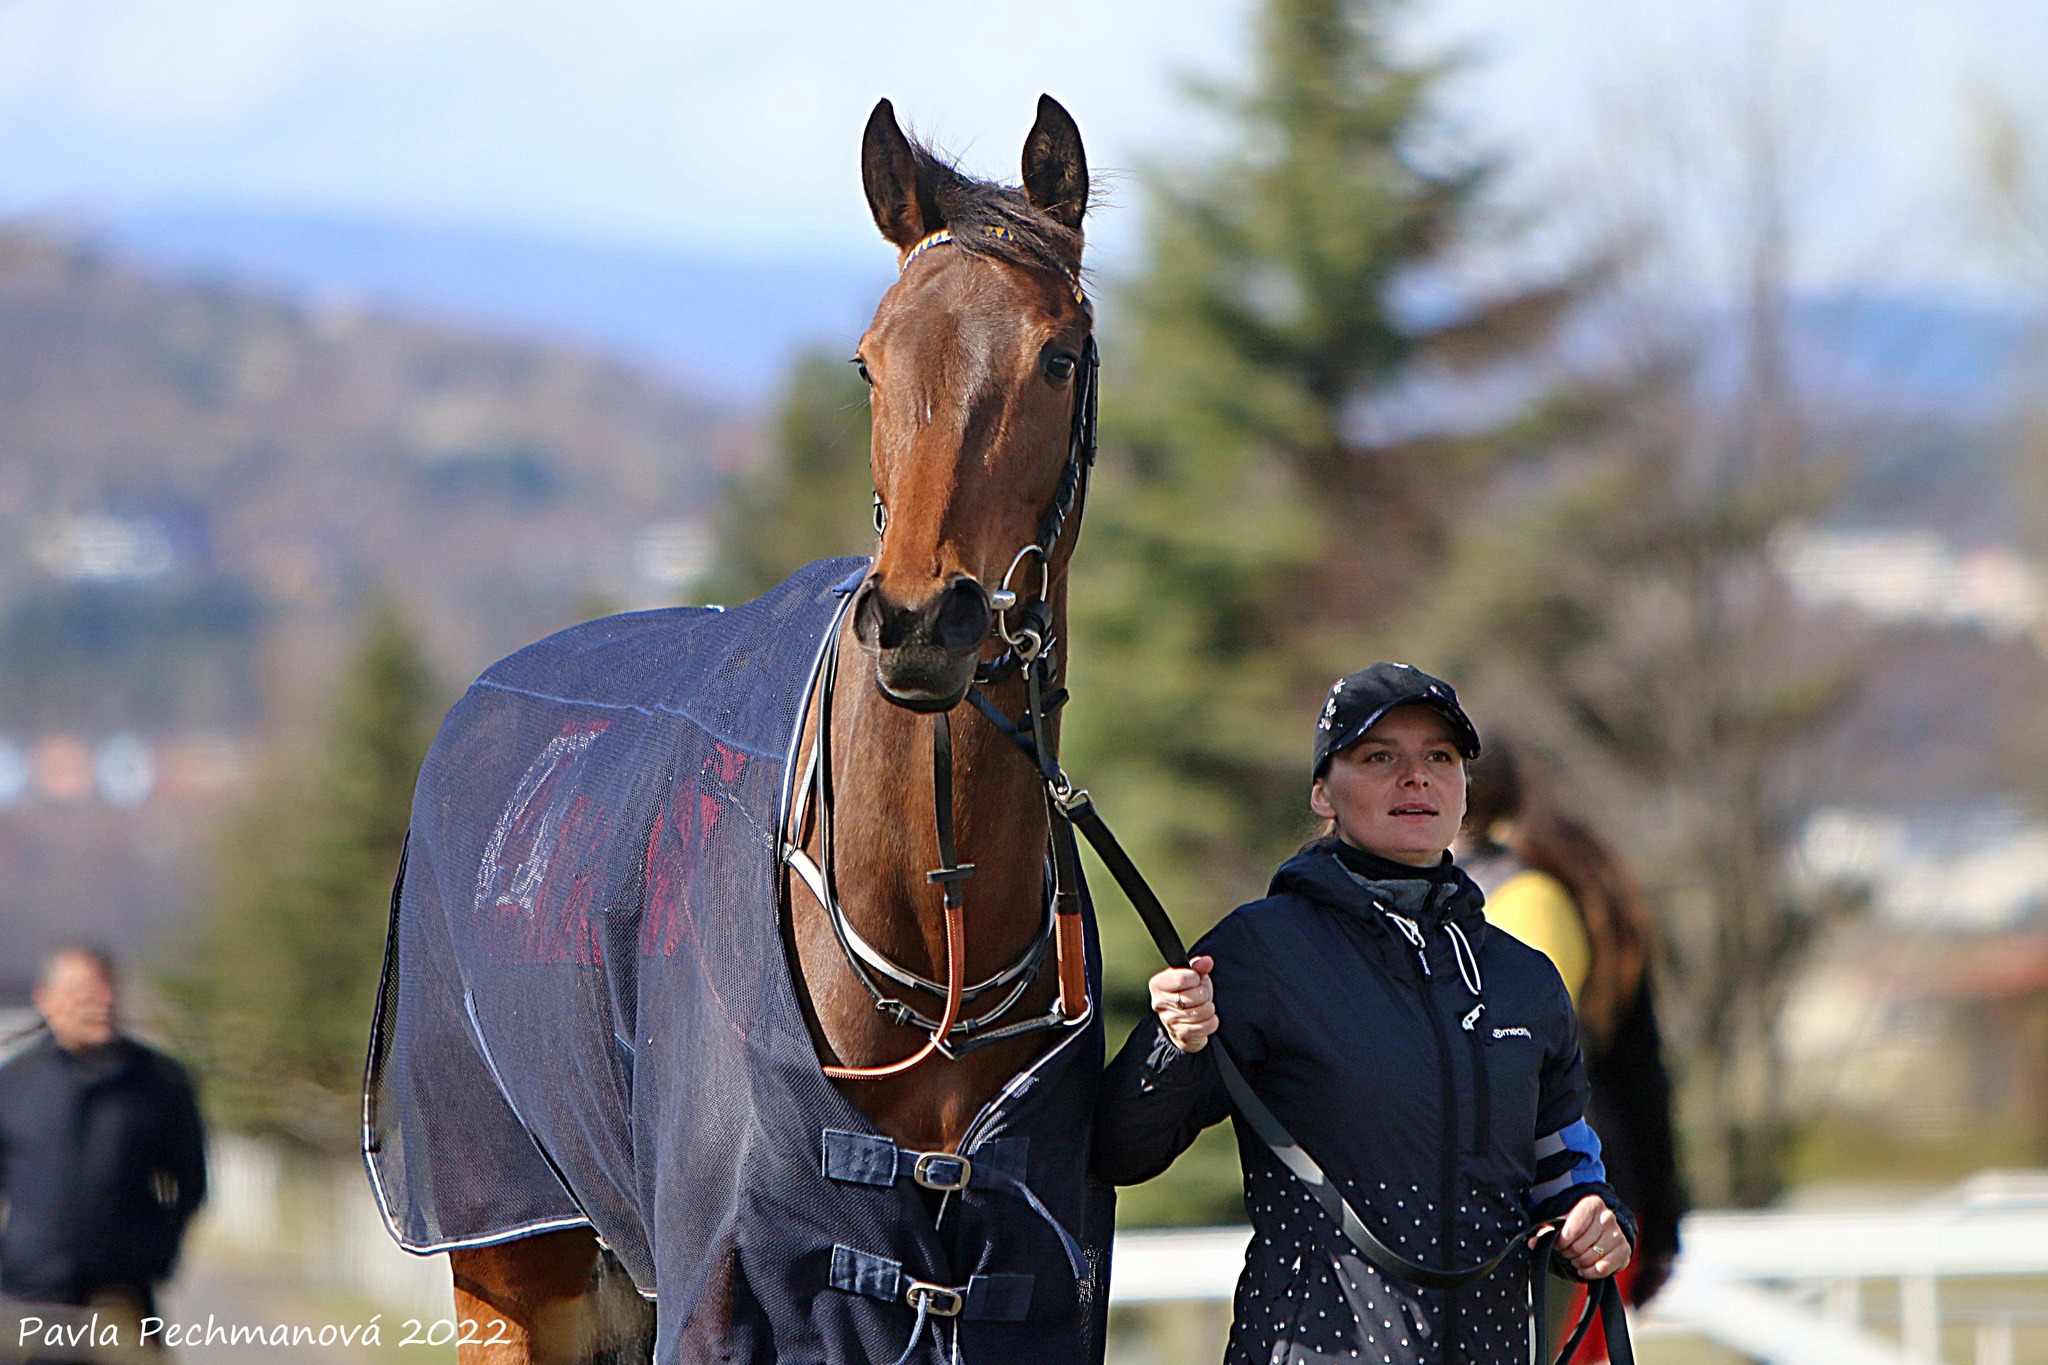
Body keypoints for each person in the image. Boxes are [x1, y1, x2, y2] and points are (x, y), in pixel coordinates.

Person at [1095, 663, 1632, 1365]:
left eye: (1439, 757)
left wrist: (1595, 1219)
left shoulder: (1523, 978)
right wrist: (1172, 1043)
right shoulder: (1259, 951)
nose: (1416, 778)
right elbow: (1120, 1148)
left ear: (1465, 790)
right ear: (1323, 791)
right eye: (1379, 756)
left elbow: (1563, 1165)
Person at [1457, 744, 1685, 1331]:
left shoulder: (1519, 897)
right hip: (1579, 1200)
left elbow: (1526, 1070)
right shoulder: (1543, 882)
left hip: (1561, 1209)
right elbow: (1644, 1071)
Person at [0, 945, 207, 1331]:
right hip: (26, 1301)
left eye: (108, 990)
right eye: (84, 993)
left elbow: (190, 1182)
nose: (101, 1003)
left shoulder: (160, 1082)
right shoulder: (13, 1084)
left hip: (122, 1301)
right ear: (45, 999)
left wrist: (156, 1253)